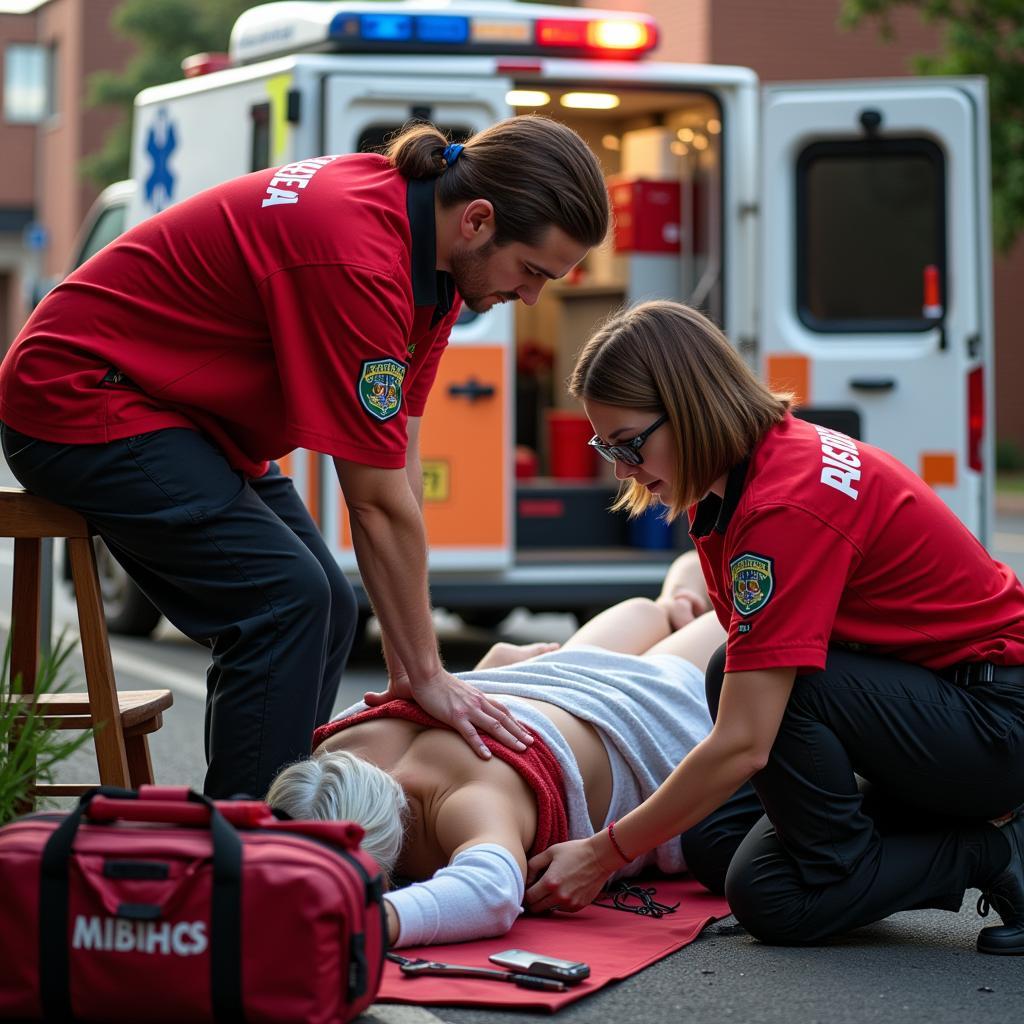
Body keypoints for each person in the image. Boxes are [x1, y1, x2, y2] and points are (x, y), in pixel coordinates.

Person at [0, 116, 610, 799]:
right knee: (284, 602)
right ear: (477, 219)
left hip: (182, 412)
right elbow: (373, 502)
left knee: (333, 612)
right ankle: (247, 858)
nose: (531, 297)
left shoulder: (432, 265)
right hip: (78, 395)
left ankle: (280, 826)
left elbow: (399, 454)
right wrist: (428, 675)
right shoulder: (358, 253)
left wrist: (415, 663)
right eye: (531, 271)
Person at [525, 299, 1024, 957]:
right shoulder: (733, 482)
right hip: (932, 708)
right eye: (603, 445)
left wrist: (602, 851)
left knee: (779, 896)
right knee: (713, 843)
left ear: (691, 407)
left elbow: (745, 740)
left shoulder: (780, 504)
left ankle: (987, 847)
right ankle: (864, 863)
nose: (620, 469)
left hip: (993, 722)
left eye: (628, 444)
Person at [267, 552, 729, 948]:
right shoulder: (340, 741)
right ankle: (691, 582)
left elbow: (490, 892)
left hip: (647, 711)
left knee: (737, 622)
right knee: (651, 612)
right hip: (553, 679)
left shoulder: (465, 800)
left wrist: (364, 921)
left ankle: (713, 574)